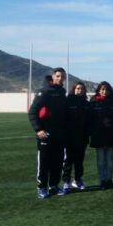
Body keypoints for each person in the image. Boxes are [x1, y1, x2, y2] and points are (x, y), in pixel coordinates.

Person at [28, 67, 68, 198]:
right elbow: (32, 111)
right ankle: (42, 187)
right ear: (53, 76)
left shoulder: (62, 91)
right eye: (58, 76)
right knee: (44, 161)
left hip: (59, 134)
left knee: (57, 161)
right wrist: (38, 130)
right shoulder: (44, 91)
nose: (60, 78)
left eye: (62, 76)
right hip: (45, 134)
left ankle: (54, 186)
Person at [89, 82, 113, 190]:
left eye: (106, 90)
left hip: (110, 134)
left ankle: (109, 179)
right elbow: (90, 119)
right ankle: (102, 180)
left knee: (110, 159)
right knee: (100, 159)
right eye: (102, 89)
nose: (104, 92)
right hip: (98, 135)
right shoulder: (93, 101)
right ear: (99, 90)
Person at [62, 82, 89, 192]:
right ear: (73, 89)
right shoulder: (67, 102)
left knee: (79, 160)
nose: (79, 90)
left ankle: (78, 179)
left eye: (82, 89)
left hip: (82, 137)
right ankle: (66, 181)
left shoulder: (86, 103)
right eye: (78, 88)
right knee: (68, 160)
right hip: (69, 137)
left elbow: (90, 120)